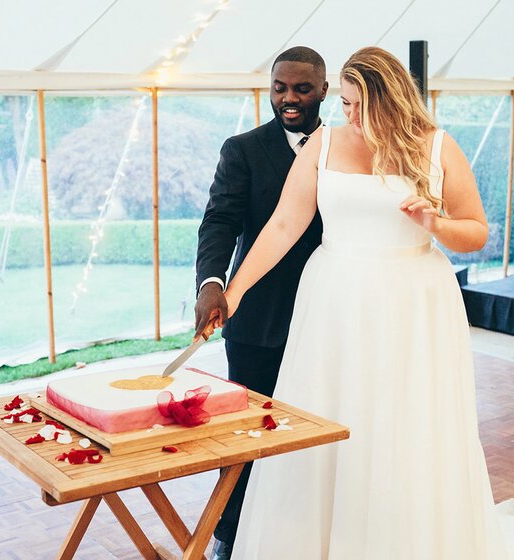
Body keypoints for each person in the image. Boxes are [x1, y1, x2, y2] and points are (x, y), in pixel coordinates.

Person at [218, 47, 514, 559]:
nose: (347, 115)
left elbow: (476, 231)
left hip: (411, 302)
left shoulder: (436, 147)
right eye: (343, 103)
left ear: (388, 101)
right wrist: (233, 291)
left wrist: (435, 224)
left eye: (356, 105)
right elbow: (283, 225)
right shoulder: (322, 145)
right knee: (328, 412)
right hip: (334, 301)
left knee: (403, 421)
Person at [193, 46, 329, 559]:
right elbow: (221, 221)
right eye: (279, 88)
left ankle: (305, 532)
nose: (289, 99)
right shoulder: (242, 149)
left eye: (301, 88)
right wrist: (212, 282)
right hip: (258, 318)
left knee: (317, 428)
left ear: (323, 90)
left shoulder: (346, 148)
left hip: (329, 313)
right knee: (249, 435)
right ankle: (230, 536)